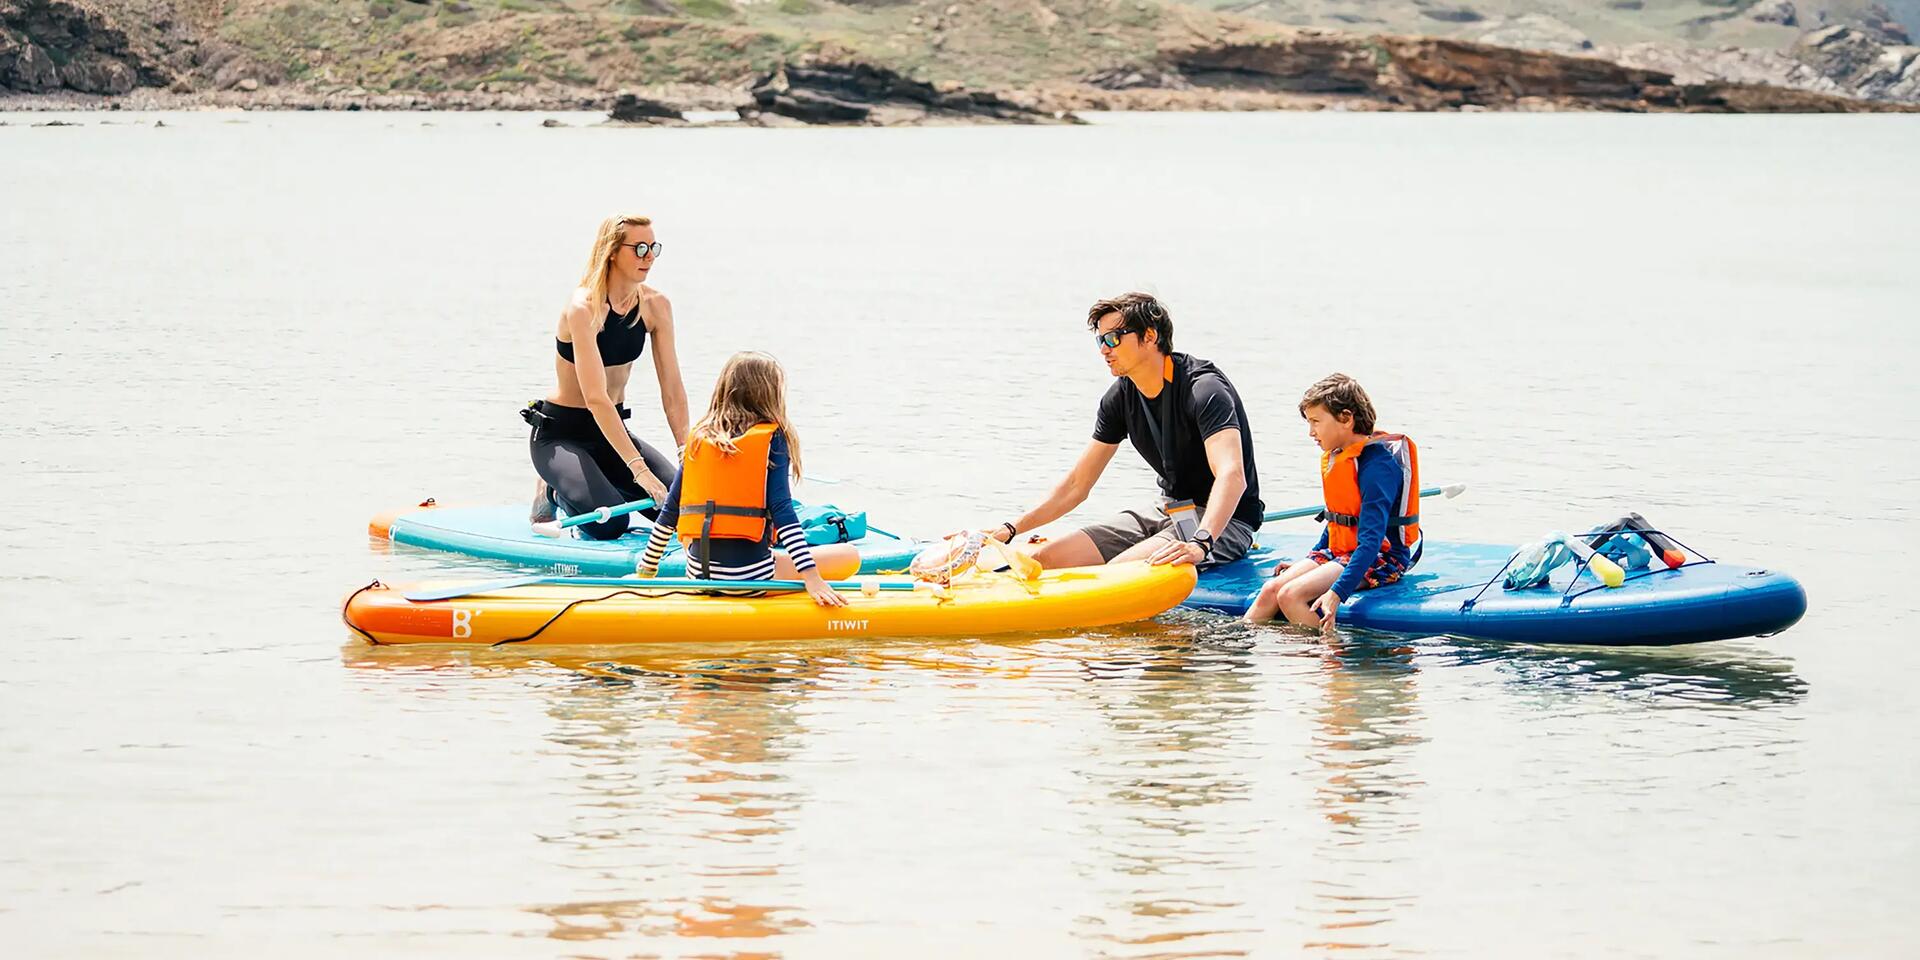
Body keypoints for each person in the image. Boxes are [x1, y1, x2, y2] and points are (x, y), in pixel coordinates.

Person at [983, 292, 1262, 570]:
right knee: (1045, 560)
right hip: (1168, 508)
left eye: (1113, 338)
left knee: (1119, 570)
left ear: (1150, 336)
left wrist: (1201, 542)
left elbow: (1232, 475)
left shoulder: (1204, 389)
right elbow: (1077, 485)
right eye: (1100, 340)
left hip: (1226, 522)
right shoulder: (1119, 397)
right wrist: (1010, 529)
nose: (1104, 349)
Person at [635, 352, 859, 607]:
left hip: (698, 575)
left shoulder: (698, 437)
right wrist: (812, 577)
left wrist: (646, 572)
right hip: (748, 577)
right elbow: (783, 511)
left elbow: (670, 511)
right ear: (769, 395)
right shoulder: (773, 439)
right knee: (849, 556)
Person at [526, 214, 690, 541]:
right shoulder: (583, 308)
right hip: (561, 436)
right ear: (612, 251)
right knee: (611, 525)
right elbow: (596, 398)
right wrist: (639, 470)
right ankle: (553, 490)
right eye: (639, 248)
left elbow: (672, 388)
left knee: (681, 511)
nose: (648, 257)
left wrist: (686, 450)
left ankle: (605, 481)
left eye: (653, 248)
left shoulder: (656, 306)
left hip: (611, 435)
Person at [1244, 374, 1422, 630]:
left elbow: (1372, 542)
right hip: (1341, 553)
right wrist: (1312, 561)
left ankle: (1328, 655)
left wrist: (1336, 593)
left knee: (1290, 595)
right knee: (1272, 588)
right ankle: (1241, 645)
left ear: (1346, 419)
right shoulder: (1340, 457)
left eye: (1316, 422)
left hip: (1381, 558)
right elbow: (1339, 519)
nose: (1311, 432)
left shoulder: (1377, 467)